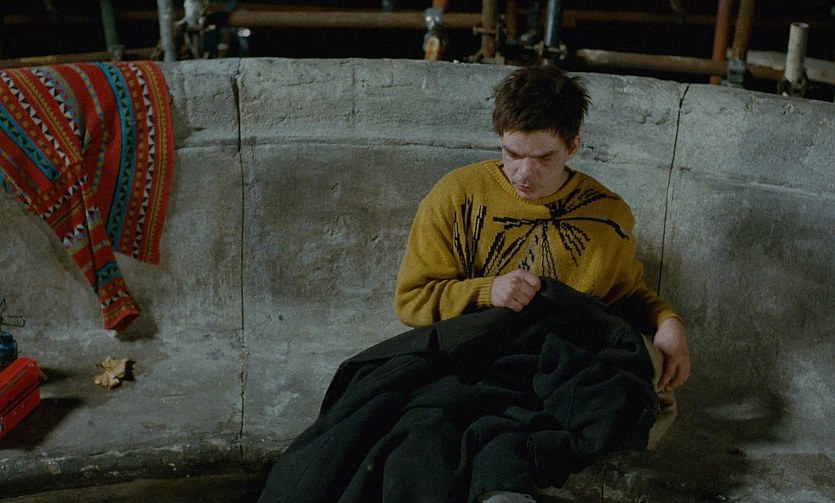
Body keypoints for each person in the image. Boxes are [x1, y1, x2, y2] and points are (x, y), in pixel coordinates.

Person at [394, 67, 691, 500]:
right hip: (473, 359)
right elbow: (412, 299)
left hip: (558, 369)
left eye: (544, 158)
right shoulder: (456, 196)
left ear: (573, 146)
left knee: (609, 402)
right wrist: (487, 291)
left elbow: (623, 295)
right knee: (420, 419)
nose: (523, 173)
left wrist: (668, 322)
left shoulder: (608, 214)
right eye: (511, 153)